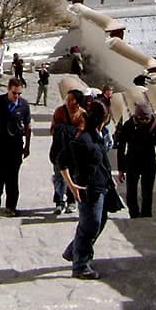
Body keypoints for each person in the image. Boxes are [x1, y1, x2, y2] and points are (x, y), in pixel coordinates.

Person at [58, 99, 113, 280]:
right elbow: (62, 160)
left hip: (103, 187)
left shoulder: (99, 135)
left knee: (99, 222)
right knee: (89, 226)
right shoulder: (83, 139)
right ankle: (80, 265)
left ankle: (73, 252)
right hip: (89, 190)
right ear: (103, 118)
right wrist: (71, 185)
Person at [0, 77, 31, 216]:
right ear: (8, 89)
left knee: (13, 178)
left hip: (16, 146)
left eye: (19, 94)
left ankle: (11, 206)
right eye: (14, 93)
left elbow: (28, 126)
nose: (16, 96)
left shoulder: (24, 105)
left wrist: (27, 146)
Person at [115, 100, 156, 218]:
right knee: (131, 191)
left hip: (149, 162)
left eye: (146, 118)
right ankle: (134, 213)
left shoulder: (155, 125)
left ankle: (146, 213)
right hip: (132, 162)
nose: (144, 121)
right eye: (141, 118)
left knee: (147, 191)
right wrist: (121, 169)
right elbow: (121, 148)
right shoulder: (128, 125)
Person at [49, 89, 84, 214]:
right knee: (59, 177)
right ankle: (59, 201)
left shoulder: (82, 115)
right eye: (67, 99)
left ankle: (71, 201)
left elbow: (81, 133)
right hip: (59, 150)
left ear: (78, 102)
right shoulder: (60, 111)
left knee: (73, 177)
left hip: (75, 152)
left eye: (71, 99)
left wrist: (66, 131)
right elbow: (53, 129)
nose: (68, 102)